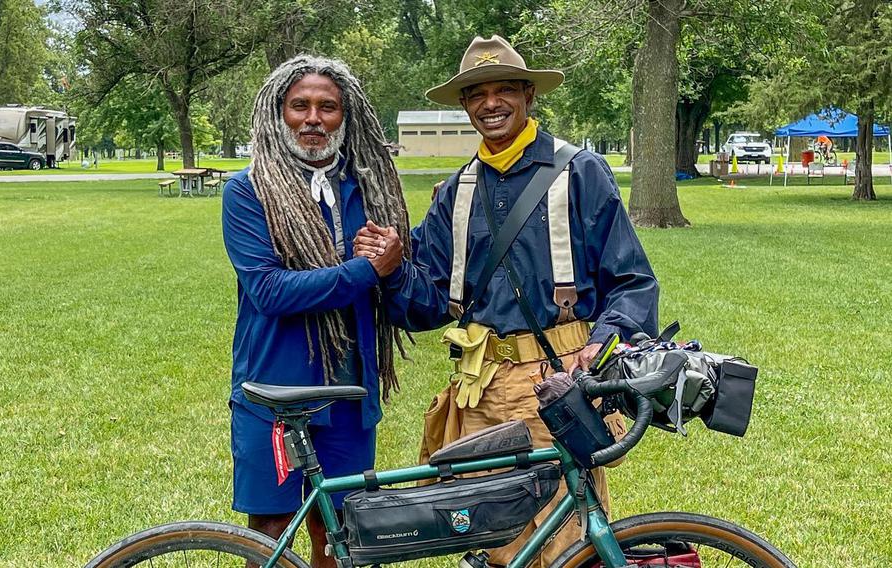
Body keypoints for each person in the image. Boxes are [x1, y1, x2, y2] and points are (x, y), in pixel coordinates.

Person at [354, 36, 659, 567]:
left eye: (503, 91)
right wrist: (394, 268)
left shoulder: (580, 172)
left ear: (527, 96)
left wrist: (604, 345)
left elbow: (633, 282)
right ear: (465, 105)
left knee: (567, 536)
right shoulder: (455, 192)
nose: (490, 103)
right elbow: (426, 305)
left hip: (557, 383)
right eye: (477, 94)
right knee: (494, 539)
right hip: (481, 390)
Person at [221, 56, 410, 568]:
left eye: (327, 107)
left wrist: (391, 266)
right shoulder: (247, 191)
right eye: (298, 106)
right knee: (270, 529)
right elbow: (269, 291)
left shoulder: (371, 190)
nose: (312, 118)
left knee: (341, 529)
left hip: (349, 390)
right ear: (276, 114)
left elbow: (399, 277)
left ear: (346, 117)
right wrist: (365, 270)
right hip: (275, 389)